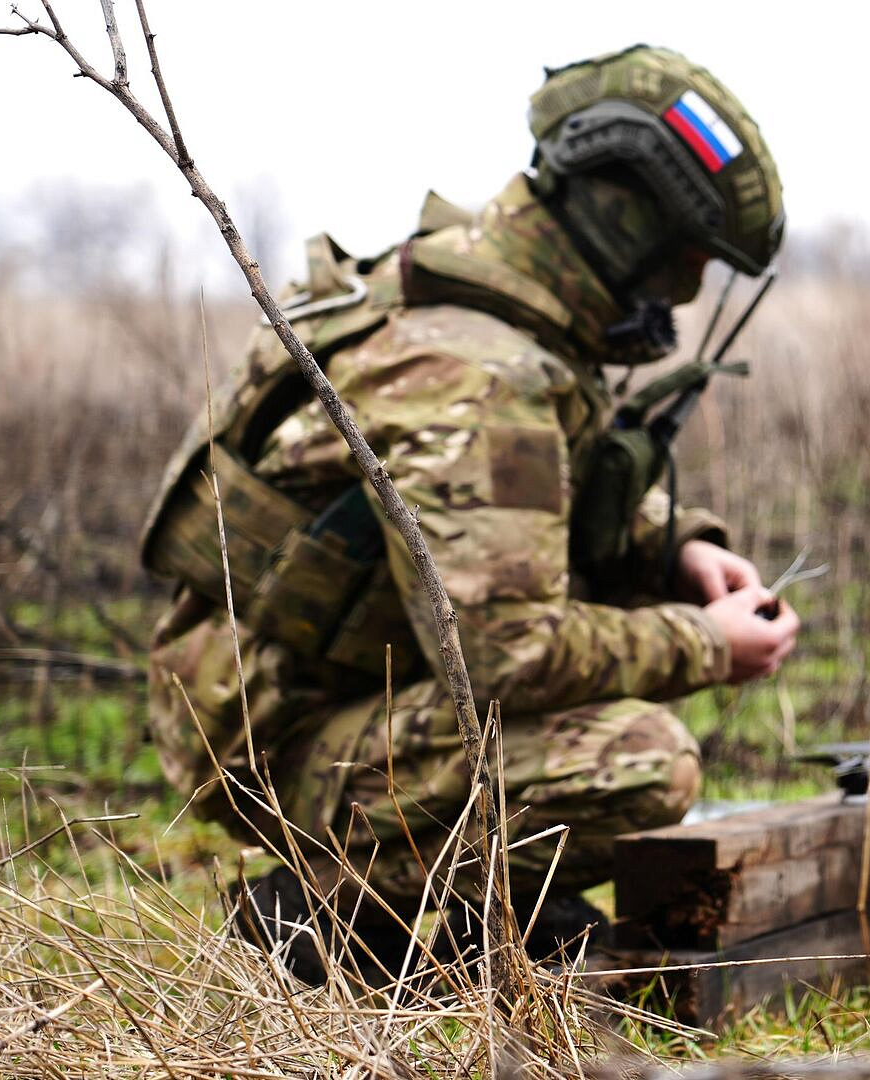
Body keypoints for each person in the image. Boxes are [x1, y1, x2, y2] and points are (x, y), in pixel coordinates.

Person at [139, 44, 796, 981]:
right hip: (276, 739)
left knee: (611, 717)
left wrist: (679, 549)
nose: (678, 305)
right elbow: (508, 654)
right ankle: (333, 917)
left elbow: (522, 495)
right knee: (645, 763)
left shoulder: (472, 296)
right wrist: (705, 642)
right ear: (623, 225)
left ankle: (463, 892)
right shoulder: (477, 371)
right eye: (683, 269)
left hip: (309, 690)